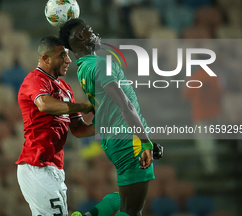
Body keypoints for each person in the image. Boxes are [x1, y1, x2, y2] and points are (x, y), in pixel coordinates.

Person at [59, 18, 160, 216]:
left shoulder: (83, 69)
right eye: (89, 30)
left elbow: (105, 113)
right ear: (81, 36)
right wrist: (145, 143)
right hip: (130, 141)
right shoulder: (99, 65)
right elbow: (125, 104)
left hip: (114, 141)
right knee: (131, 211)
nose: (94, 32)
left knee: (123, 202)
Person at [16, 35, 97, 216]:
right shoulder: (35, 79)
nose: (68, 60)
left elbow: (78, 129)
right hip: (37, 165)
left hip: (55, 168)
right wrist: (84, 106)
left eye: (68, 55)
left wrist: (105, 125)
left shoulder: (66, 88)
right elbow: (45, 105)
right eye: (62, 55)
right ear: (45, 58)